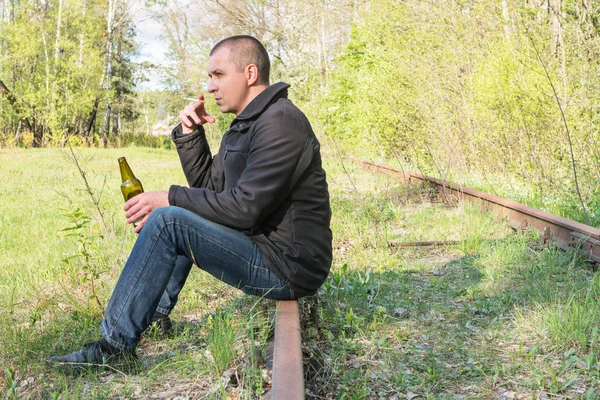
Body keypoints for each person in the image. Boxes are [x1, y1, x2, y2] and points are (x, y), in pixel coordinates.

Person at [46, 35, 332, 369]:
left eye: (218, 75)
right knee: (179, 211)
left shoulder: (281, 122)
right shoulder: (246, 124)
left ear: (250, 73)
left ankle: (114, 348)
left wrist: (168, 198)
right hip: (263, 246)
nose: (210, 87)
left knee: (169, 219)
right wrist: (190, 134)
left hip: (289, 266)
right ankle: (154, 316)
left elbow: (244, 208)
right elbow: (210, 191)